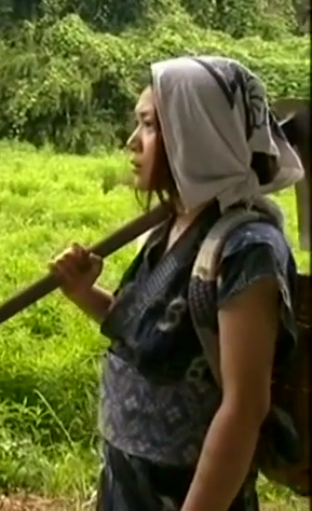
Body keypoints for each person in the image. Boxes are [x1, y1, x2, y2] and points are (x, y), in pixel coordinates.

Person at [49, 56, 305, 510]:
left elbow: (245, 408)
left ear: (196, 133)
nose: (132, 141)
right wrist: (83, 293)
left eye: (149, 125)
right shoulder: (168, 226)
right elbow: (151, 337)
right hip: (128, 489)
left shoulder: (247, 250)